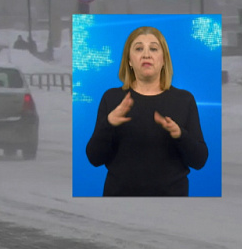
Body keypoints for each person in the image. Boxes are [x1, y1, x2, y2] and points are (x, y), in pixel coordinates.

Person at [85, 26, 208, 196]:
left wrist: (180, 134)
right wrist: (109, 124)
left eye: (153, 48)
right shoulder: (112, 98)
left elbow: (199, 160)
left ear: (163, 59)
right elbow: (94, 158)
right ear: (129, 60)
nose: (146, 54)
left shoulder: (184, 100)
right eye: (138, 48)